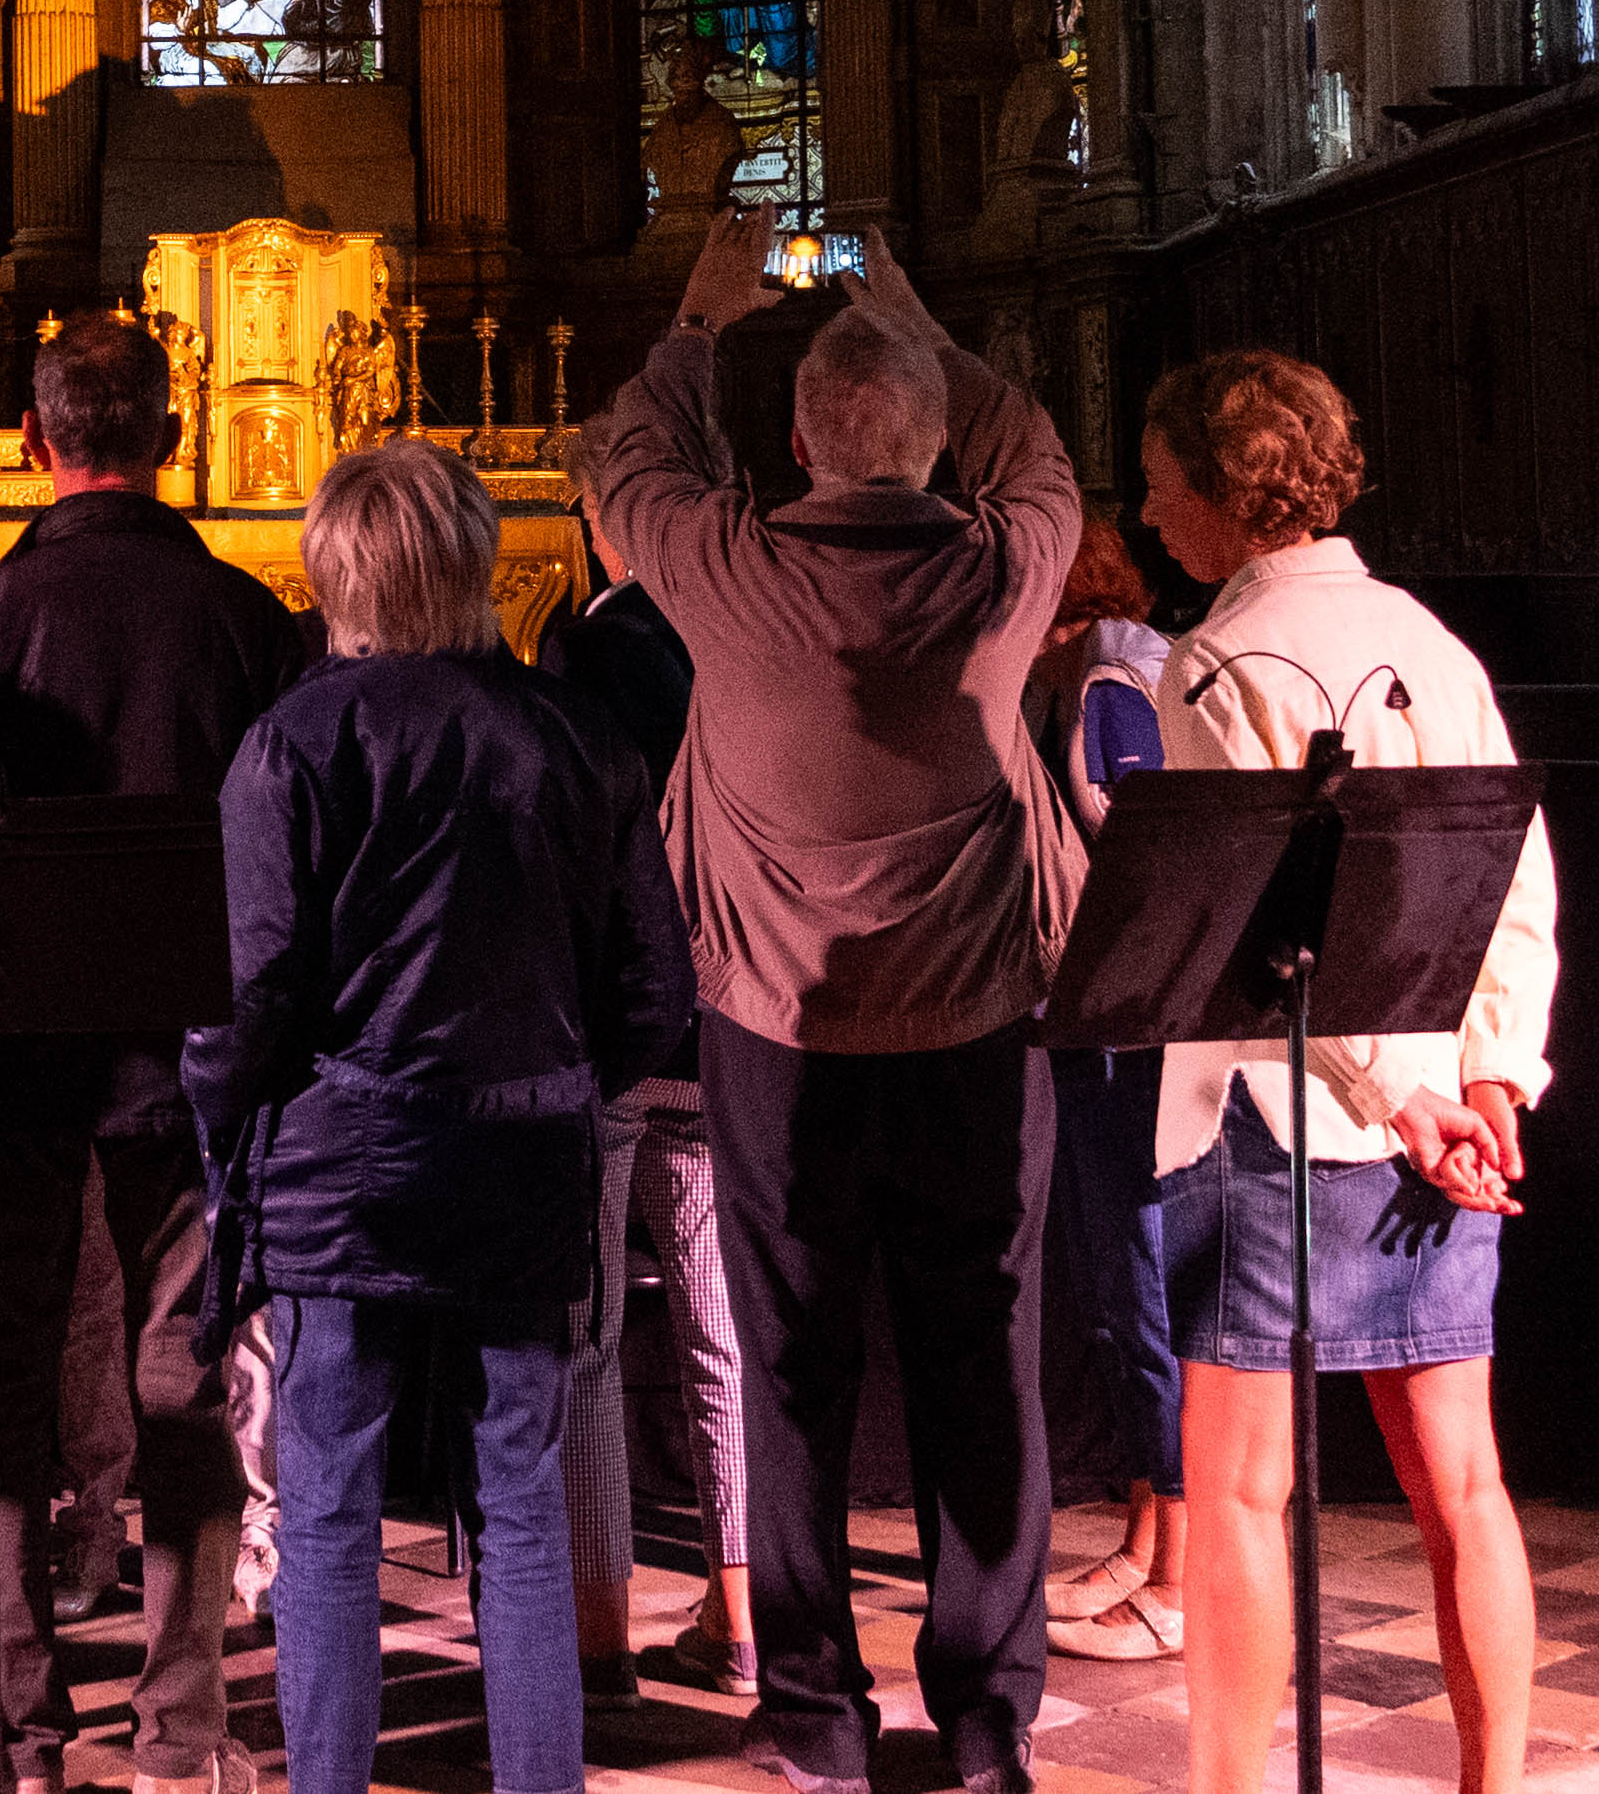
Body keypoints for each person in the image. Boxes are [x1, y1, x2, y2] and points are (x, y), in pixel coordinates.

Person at [582, 207, 1086, 1794]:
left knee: (789, 1361)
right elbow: (1044, 459)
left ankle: (811, 1713)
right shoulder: (1007, 564)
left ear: (791, 439)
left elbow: (623, 465)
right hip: (974, 1036)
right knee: (978, 1355)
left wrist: (696, 312)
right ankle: (988, 1713)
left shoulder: (724, 566)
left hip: (774, 1034)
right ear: (936, 453)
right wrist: (918, 315)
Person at [190, 441, 690, 1794]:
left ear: (330, 570)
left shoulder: (290, 740)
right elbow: (653, 986)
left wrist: (217, 1110)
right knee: (519, 1509)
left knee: (330, 1516)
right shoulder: (575, 734)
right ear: (476, 559)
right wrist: (560, 1079)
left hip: (338, 1169)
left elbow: (256, 989)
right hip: (519, 1156)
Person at [1134, 350, 1560, 1794]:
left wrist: (1402, 1099)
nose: (1141, 510)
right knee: (1462, 1480)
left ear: (1221, 488)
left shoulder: (1213, 661)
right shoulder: (1427, 640)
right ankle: (1492, 1783)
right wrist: (1490, 1081)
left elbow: (1264, 929)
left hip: (1280, 1114)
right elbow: (1517, 875)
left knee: (1240, 1494)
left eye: (1155, 478)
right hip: (1439, 1111)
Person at [0, 315, 311, 1794]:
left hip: (18, 1044)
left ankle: (15, 1733)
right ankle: (181, 1732)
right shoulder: (238, 619)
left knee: (8, 1369)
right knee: (183, 1376)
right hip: (193, 1048)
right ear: (169, 438)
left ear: (35, 444)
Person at [540, 514, 753, 1702]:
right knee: (724, 1332)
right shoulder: (750, 627)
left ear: (596, 517)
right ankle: (740, 1621)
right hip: (727, 1021)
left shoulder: (594, 646)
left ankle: (597, 1636)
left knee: (587, 1340)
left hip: (615, 1024)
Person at [1037, 521, 1186, 1666]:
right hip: (1122, 1019)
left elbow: (1138, 832)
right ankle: (1146, 1536)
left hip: (1129, 1025)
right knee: (1117, 1287)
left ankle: (1177, 1573)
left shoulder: (1103, 678)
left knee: (1143, 1292)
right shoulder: (1129, 661)